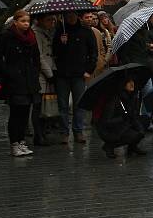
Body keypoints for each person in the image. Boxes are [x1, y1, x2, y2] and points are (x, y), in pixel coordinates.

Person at [0, 10, 41, 157]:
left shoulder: (31, 37)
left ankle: (21, 141)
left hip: (29, 80)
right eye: (23, 21)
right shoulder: (8, 36)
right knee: (16, 113)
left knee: (25, 112)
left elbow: (36, 57)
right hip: (15, 80)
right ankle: (14, 143)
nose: (26, 24)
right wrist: (7, 72)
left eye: (27, 21)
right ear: (15, 22)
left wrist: (35, 72)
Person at [52, 11, 97, 144]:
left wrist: (88, 70)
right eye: (68, 15)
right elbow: (54, 51)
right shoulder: (60, 30)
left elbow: (93, 52)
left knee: (79, 104)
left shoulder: (85, 31)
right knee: (63, 105)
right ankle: (64, 132)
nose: (70, 18)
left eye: (73, 15)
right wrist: (61, 42)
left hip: (79, 74)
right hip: (62, 73)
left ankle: (78, 131)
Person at [94, 73, 145, 159]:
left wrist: (140, 129)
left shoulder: (132, 97)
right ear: (123, 84)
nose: (132, 84)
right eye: (128, 82)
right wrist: (123, 118)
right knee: (134, 135)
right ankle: (109, 146)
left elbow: (133, 115)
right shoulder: (114, 100)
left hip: (124, 125)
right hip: (110, 129)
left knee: (142, 127)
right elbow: (106, 121)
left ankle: (132, 147)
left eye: (133, 81)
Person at [32, 14, 57, 146]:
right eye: (49, 19)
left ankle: (43, 132)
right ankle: (38, 135)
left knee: (46, 105)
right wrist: (49, 74)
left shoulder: (49, 32)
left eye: (52, 20)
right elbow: (40, 56)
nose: (52, 22)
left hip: (50, 71)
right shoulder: (36, 33)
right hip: (42, 75)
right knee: (38, 106)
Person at [83, 12, 108, 78]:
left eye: (90, 17)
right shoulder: (79, 32)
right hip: (86, 68)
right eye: (87, 17)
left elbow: (102, 48)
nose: (90, 19)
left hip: (99, 65)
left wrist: (103, 60)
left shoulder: (96, 31)